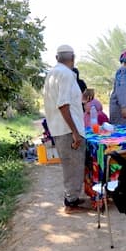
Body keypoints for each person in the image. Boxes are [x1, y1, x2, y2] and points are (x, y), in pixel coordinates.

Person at [43, 44, 87, 214]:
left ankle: (72, 199)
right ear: (73, 58)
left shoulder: (52, 73)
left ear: (56, 58)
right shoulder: (67, 74)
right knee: (73, 166)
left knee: (69, 166)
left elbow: (61, 102)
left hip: (58, 128)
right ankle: (71, 202)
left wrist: (80, 101)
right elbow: (63, 105)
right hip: (68, 129)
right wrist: (75, 132)